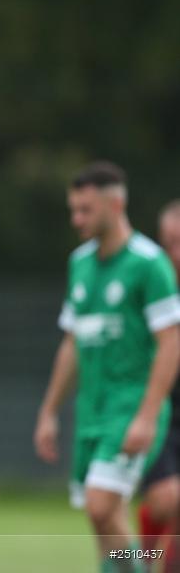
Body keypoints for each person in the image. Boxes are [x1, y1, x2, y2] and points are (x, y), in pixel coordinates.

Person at [34, 162, 180, 573]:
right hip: (91, 411)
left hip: (129, 406)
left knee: (102, 505)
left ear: (115, 205)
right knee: (102, 521)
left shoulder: (150, 264)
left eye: (86, 210)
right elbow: (71, 344)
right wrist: (48, 412)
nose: (76, 219)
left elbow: (171, 342)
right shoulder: (79, 263)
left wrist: (149, 416)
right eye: (73, 210)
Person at [138, 200, 180, 571]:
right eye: (170, 242)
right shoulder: (150, 289)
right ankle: (134, 557)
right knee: (167, 500)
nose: (177, 253)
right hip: (161, 411)